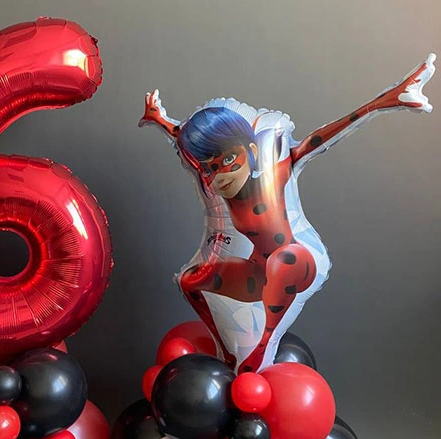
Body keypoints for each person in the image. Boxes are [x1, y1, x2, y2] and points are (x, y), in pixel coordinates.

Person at [140, 54, 434, 371]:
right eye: (211, 169)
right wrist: (160, 120)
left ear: (251, 151)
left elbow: (320, 139)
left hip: (296, 263)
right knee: (190, 281)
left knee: (283, 260)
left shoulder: (275, 172)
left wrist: (384, 101)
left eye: (227, 161)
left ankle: (262, 346)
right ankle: (227, 350)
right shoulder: (217, 185)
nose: (220, 175)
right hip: (259, 273)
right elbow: (186, 143)